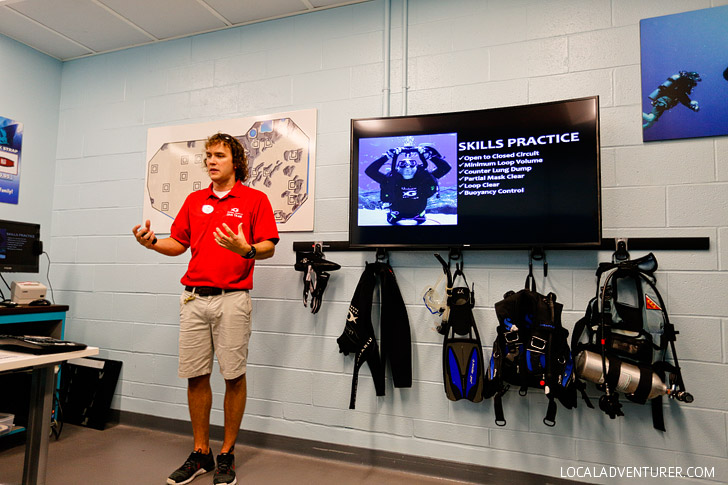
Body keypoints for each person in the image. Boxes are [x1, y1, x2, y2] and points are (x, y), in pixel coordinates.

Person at [133, 133, 279, 485]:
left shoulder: (255, 200)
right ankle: (202, 453)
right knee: (196, 375)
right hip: (194, 298)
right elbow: (177, 244)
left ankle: (227, 453)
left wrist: (246, 250)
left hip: (233, 298)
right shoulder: (195, 200)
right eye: (208, 156)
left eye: (219, 156)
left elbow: (268, 247)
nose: (211, 161)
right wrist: (152, 243)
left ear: (236, 162)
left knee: (233, 375)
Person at [364, 138, 451, 224]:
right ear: (397, 168)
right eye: (403, 164)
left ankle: (420, 215)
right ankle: (398, 215)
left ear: (417, 167)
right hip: (396, 215)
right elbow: (370, 171)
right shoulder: (390, 180)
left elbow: (445, 168)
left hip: (418, 214)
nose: (407, 167)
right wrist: (387, 156)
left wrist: (429, 156)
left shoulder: (424, 178)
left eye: (412, 164)